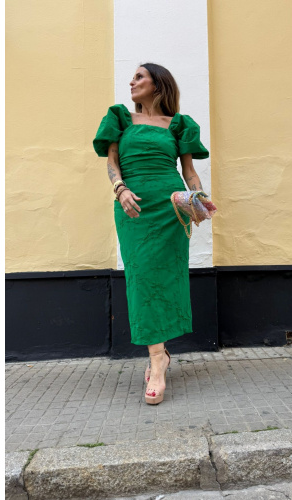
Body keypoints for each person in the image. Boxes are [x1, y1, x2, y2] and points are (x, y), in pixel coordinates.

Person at [93, 63, 210, 404]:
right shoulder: (120, 118)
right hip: (133, 206)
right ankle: (159, 357)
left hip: (170, 207)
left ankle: (157, 363)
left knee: (167, 277)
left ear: (158, 85)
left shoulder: (178, 124)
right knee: (141, 277)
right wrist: (120, 189)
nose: (132, 81)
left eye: (139, 76)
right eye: (133, 77)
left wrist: (198, 198)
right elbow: (112, 161)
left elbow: (188, 171)